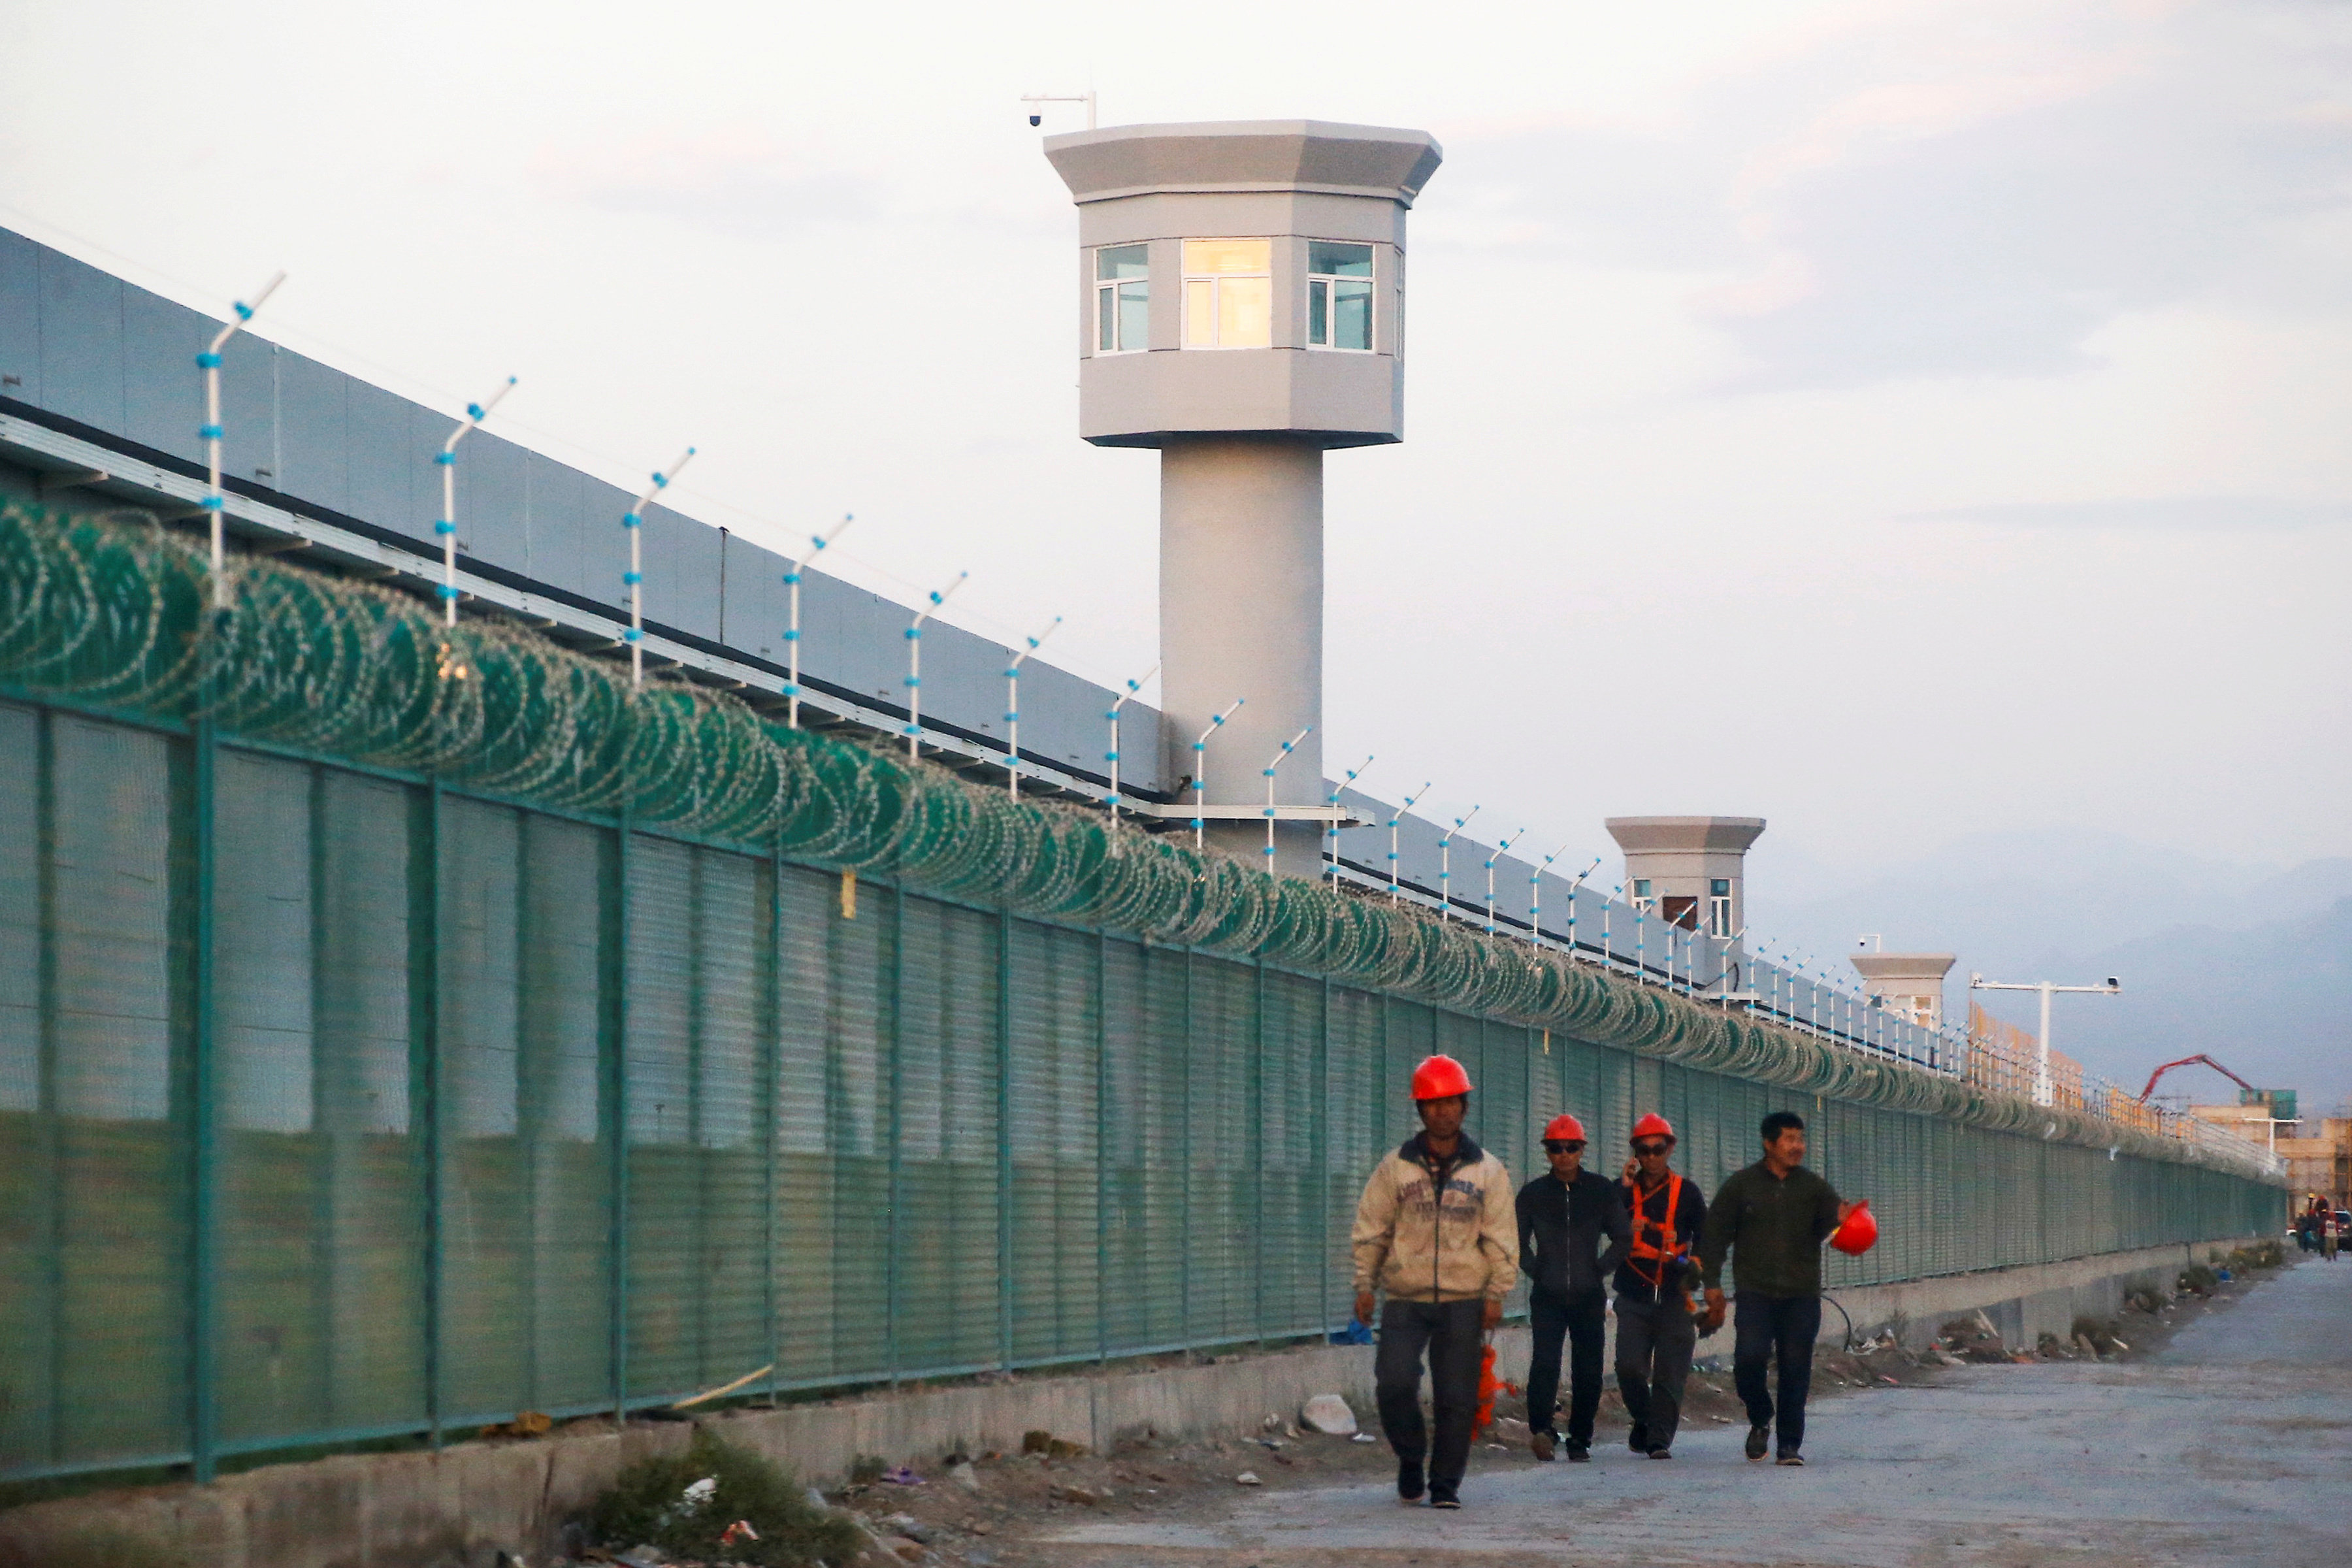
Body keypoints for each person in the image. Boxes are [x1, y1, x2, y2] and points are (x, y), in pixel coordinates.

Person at [1352, 1053, 1518, 1510]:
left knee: (1457, 1398)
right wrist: (1364, 1284)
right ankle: (1410, 1457)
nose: (1442, 1112)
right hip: (1406, 1296)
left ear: (1464, 1107)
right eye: (1432, 1103)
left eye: (1451, 1103)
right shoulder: (1395, 1169)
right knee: (1394, 1382)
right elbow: (1372, 1228)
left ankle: (1445, 1484)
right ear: (1420, 1110)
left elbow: (1501, 1237)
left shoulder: (1487, 1171)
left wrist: (1495, 1292)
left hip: (1465, 1298)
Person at [1698, 1110, 1859, 1467]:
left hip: (1801, 1295)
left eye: (1800, 1139)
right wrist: (1711, 1285)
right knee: (1748, 1359)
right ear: (1768, 1143)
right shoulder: (1741, 1186)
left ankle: (1789, 1445)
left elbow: (1834, 1229)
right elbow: (1715, 1238)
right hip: (1756, 1294)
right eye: (1789, 1139)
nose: (1797, 1147)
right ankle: (1760, 1415)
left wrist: (1845, 1221)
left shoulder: (1814, 1188)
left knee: (1795, 1367)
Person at [1514, 1113, 1629, 1462]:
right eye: (1555, 1148)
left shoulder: (1600, 1191)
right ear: (1547, 1152)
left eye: (1571, 1148)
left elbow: (1623, 1236)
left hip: (1588, 1296)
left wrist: (1599, 1270)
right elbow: (1516, 1243)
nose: (1563, 1154)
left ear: (1582, 1150)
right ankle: (1542, 1431)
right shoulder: (1533, 1194)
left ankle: (1580, 1438)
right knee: (1545, 1364)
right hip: (1547, 1296)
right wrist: (1539, 1272)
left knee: (1588, 1368)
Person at [1612, 1112, 1707, 1460]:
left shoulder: (1688, 1193)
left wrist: (1699, 1267)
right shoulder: (1622, 1191)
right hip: (1633, 1295)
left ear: (1670, 1149)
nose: (1652, 1157)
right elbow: (1603, 1221)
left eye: (1658, 1149)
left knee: (1670, 1372)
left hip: (1674, 1296)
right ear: (1635, 1153)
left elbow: (1706, 1236)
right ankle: (1646, 1418)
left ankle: (1658, 1439)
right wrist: (1622, 1188)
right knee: (1629, 1367)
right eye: (1645, 1150)